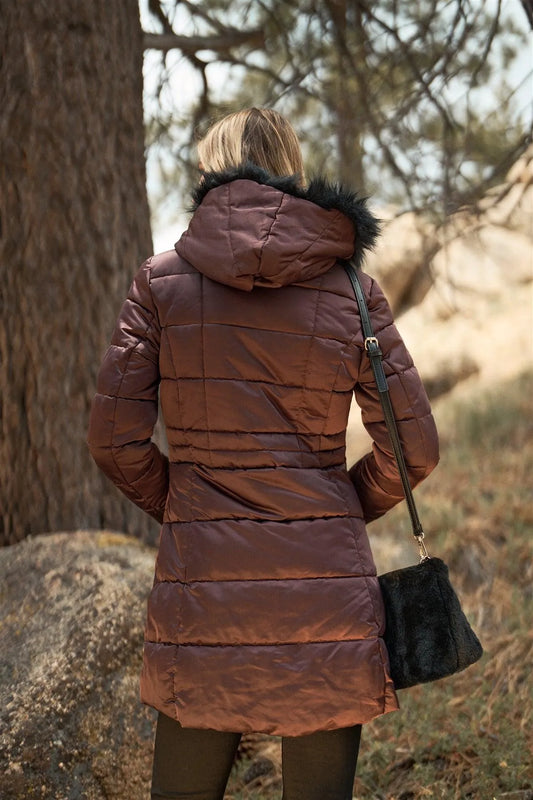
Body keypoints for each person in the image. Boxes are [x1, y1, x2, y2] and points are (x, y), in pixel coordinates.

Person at [87, 107, 439, 800]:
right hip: (324, 595)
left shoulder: (160, 283)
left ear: (210, 173)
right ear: (293, 172)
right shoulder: (352, 291)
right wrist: (337, 506)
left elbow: (113, 439)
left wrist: (188, 505)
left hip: (203, 591)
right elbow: (414, 448)